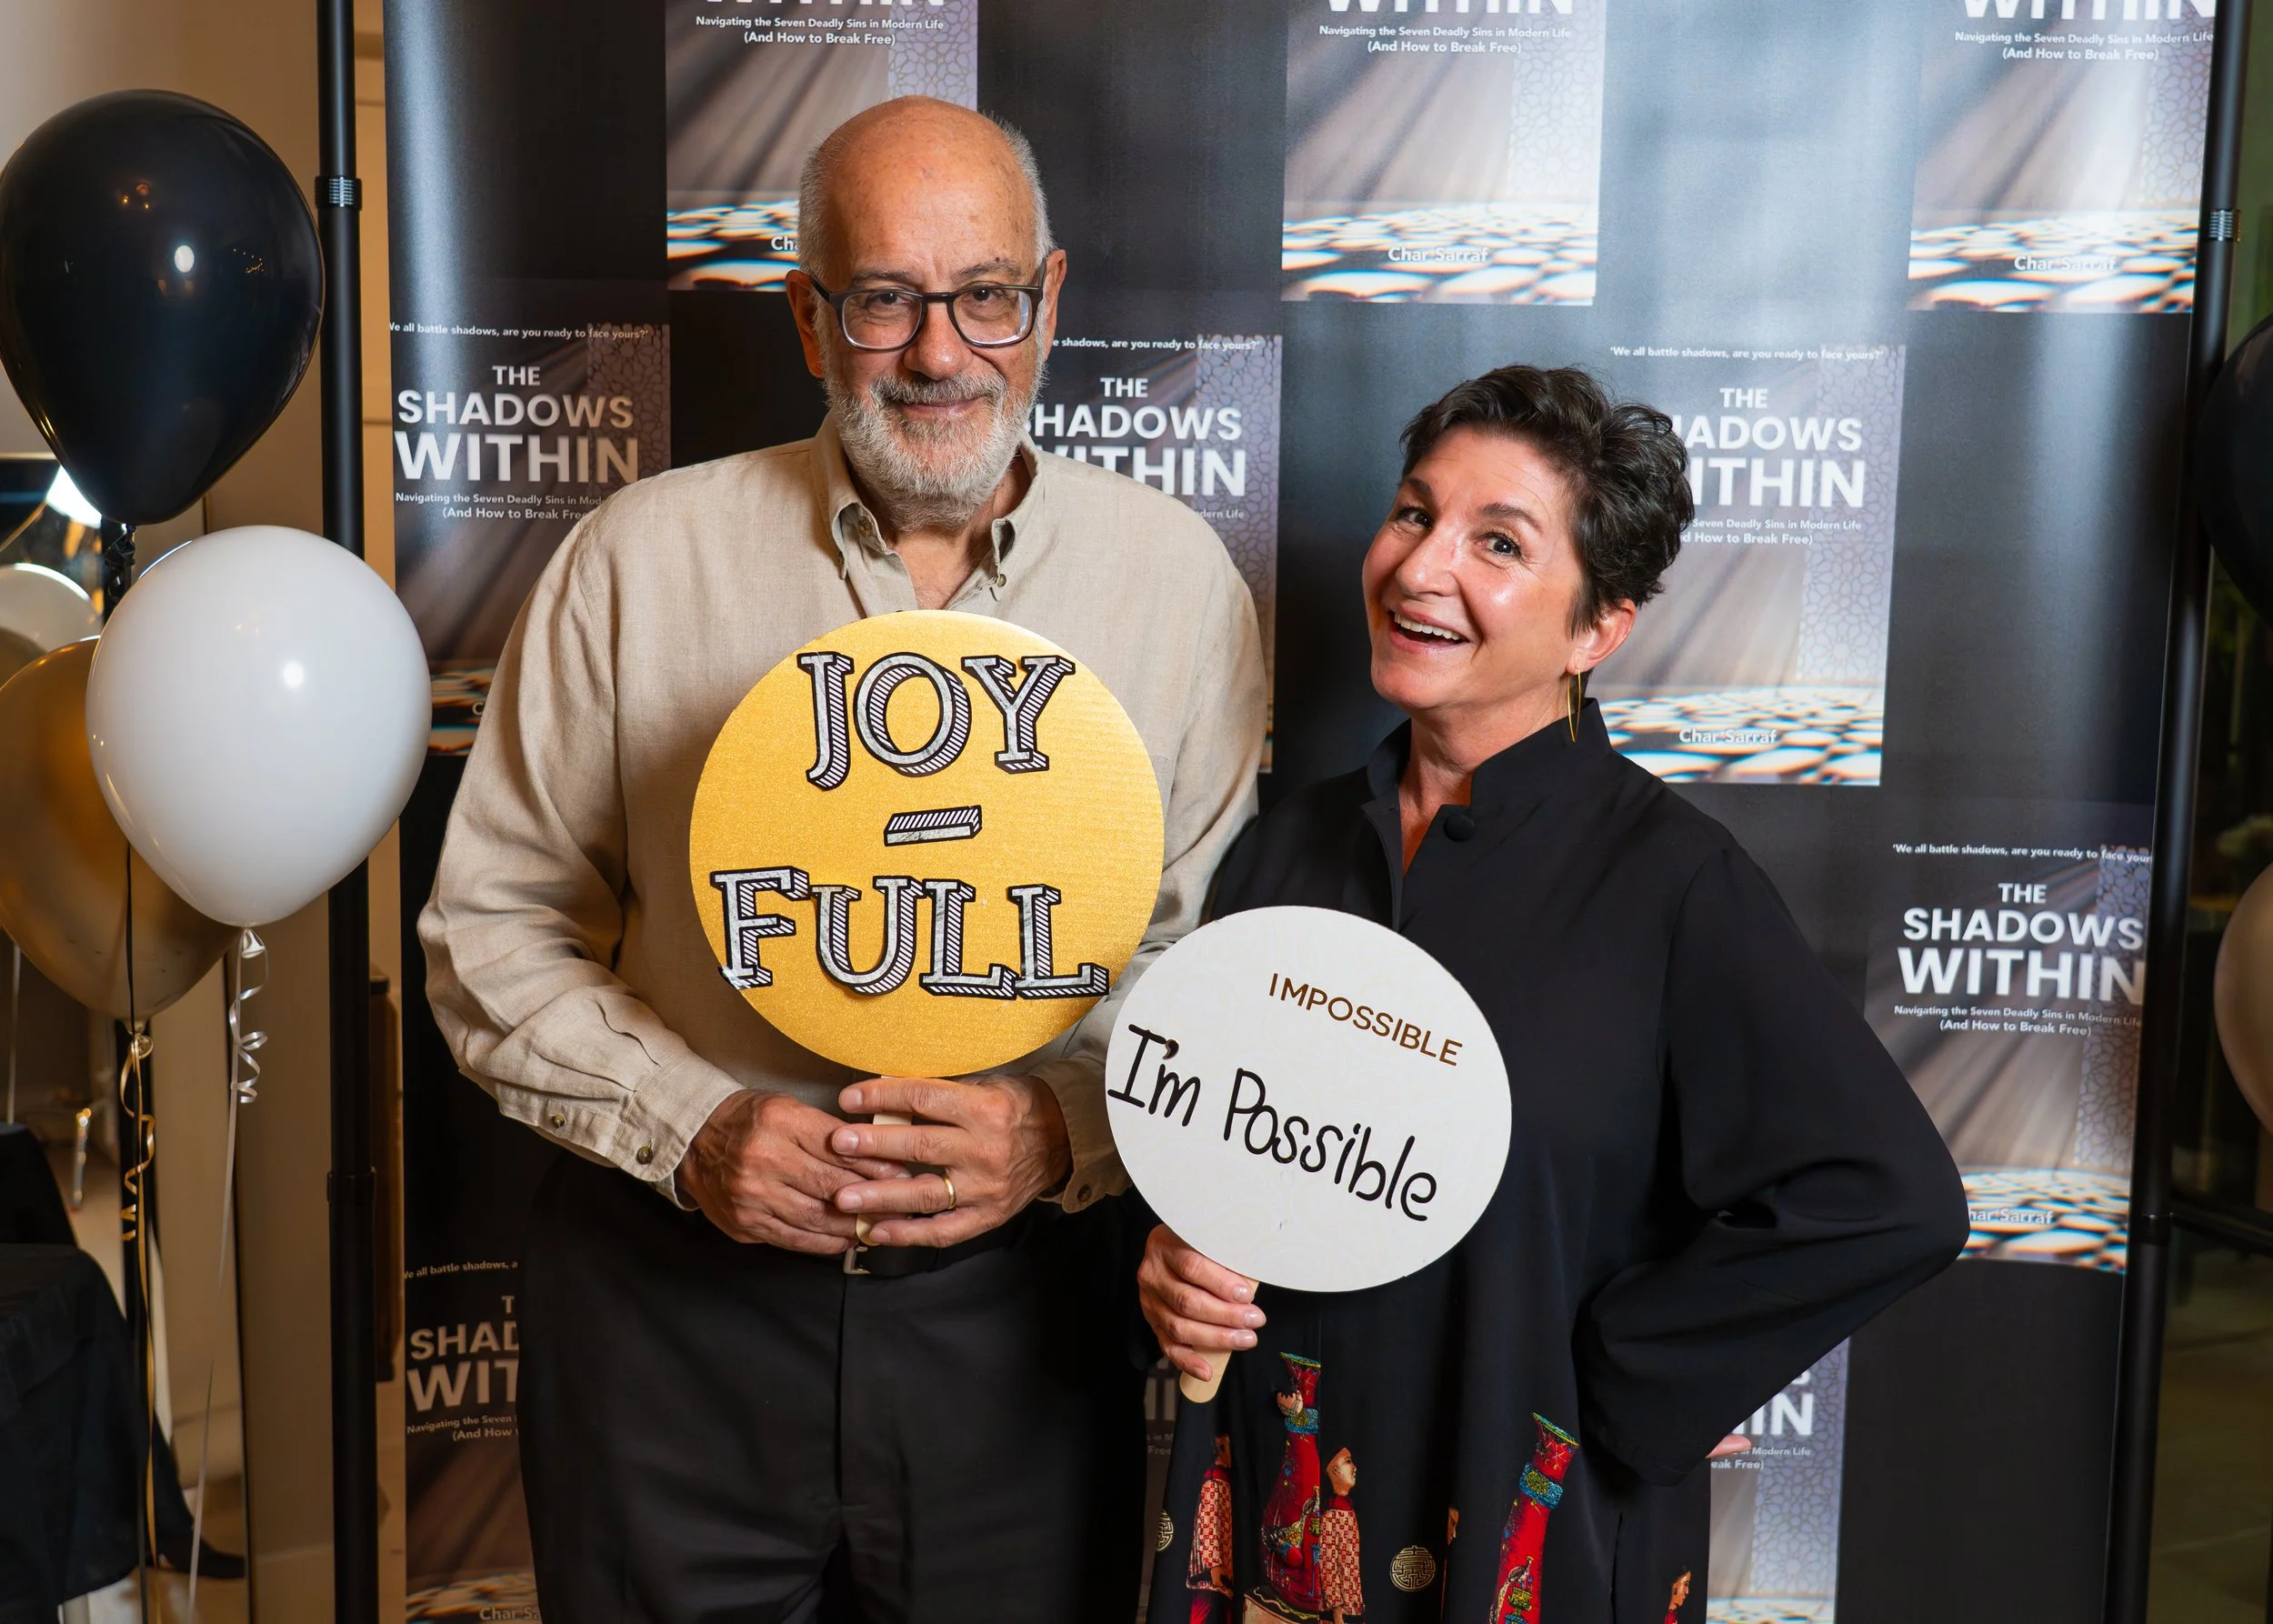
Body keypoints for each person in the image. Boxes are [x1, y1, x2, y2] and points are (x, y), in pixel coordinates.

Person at [419, 95, 1265, 1621]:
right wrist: (690, 1123)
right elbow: (491, 923)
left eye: (987, 294)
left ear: (1050, 301)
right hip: (670, 1325)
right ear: (810, 317)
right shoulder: (639, 557)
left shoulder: (1181, 585)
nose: (941, 353)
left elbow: (1202, 963)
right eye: (884, 297)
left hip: (1019, 1338)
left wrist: (1059, 1129)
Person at [1137, 366, 1965, 1623]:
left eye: (1499, 544)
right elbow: (1201, 1154)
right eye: (1414, 513)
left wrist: (1612, 1381)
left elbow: (1888, 1200)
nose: (1421, 568)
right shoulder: (1286, 847)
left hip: (1520, 1528)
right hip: (1273, 1507)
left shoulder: (1675, 884)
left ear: (1598, 628)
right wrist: (1168, 1267)